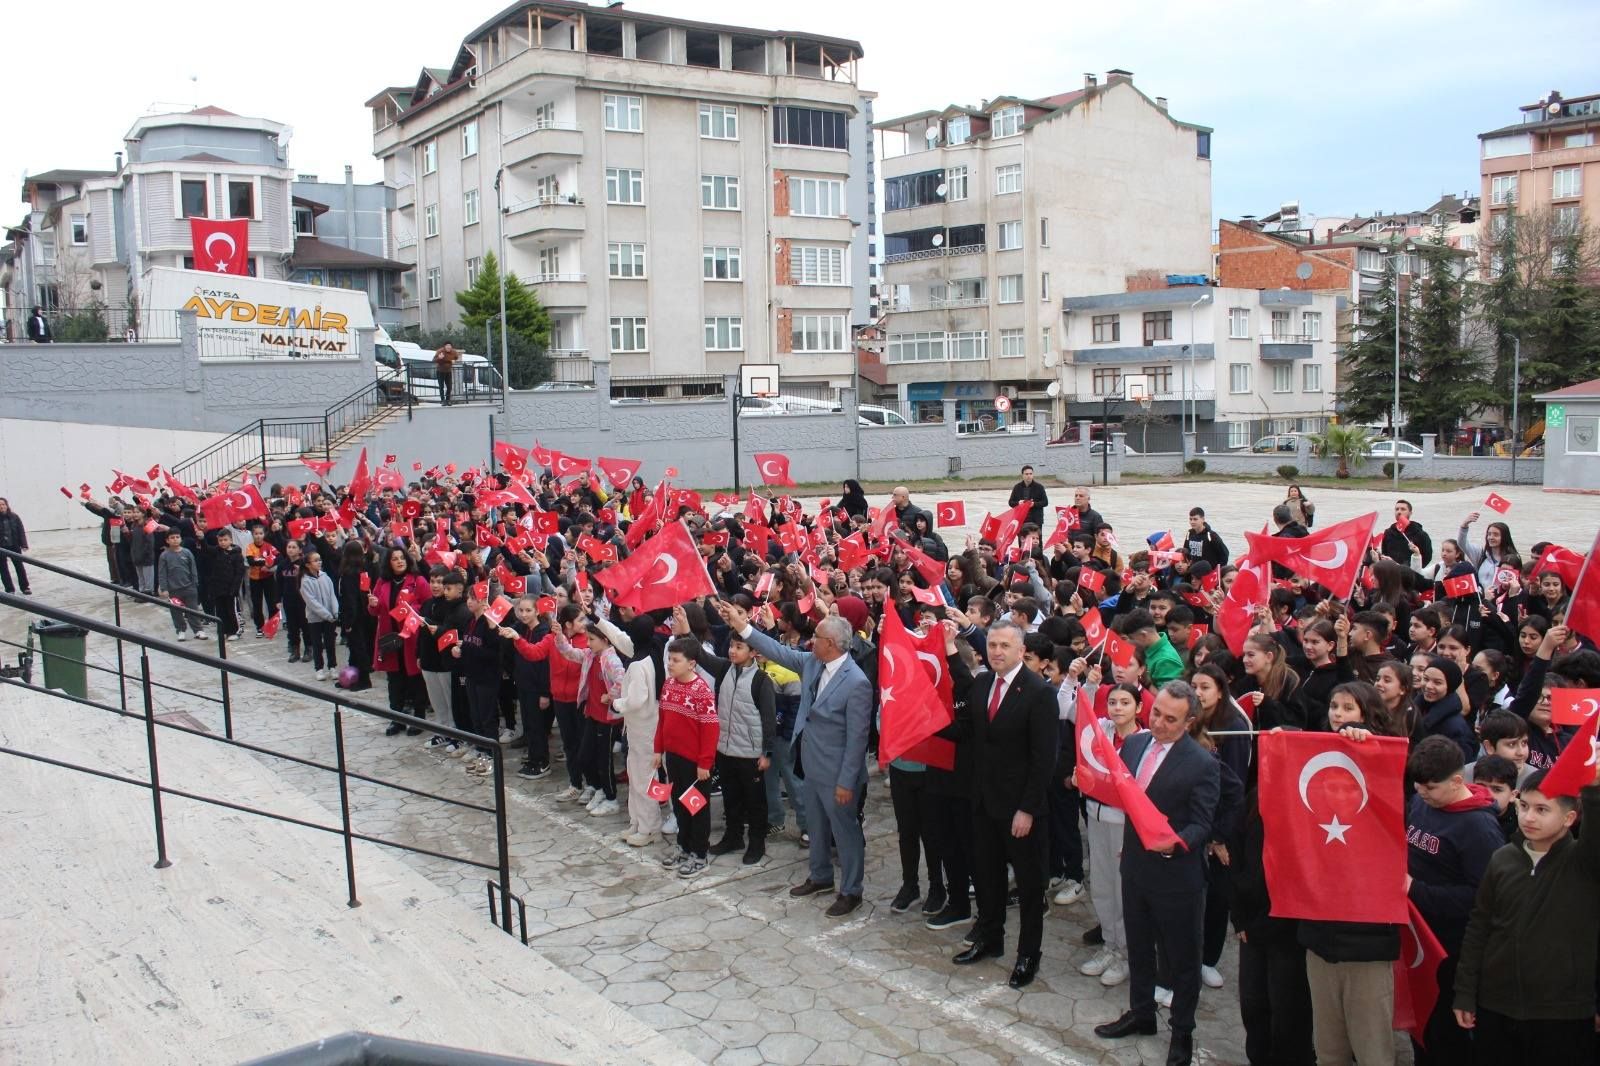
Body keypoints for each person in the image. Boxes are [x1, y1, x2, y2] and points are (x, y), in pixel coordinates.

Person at [1093, 681, 1221, 1066]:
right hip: (1134, 867)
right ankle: (1142, 1012)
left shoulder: (1202, 764)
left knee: (1182, 961)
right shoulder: (1134, 744)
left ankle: (1182, 1032)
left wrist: (1176, 842)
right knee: (1139, 946)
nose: (1160, 723)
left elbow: (1202, 824)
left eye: (1170, 719)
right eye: (1157, 713)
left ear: (1189, 722)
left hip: (1177, 878)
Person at [722, 602, 873, 919]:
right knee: (816, 826)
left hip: (838, 772)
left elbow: (858, 740)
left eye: (816, 637)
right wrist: (741, 625)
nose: (809, 641)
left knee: (845, 833)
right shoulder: (813, 664)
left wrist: (847, 782)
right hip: (811, 764)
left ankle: (851, 890)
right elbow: (775, 650)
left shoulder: (857, 682)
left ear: (830, 644)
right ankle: (820, 877)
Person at [1452, 767, 1600, 1062]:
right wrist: (1465, 991)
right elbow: (1479, 927)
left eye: (1542, 809)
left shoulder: (1583, 863)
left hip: (1562, 1014)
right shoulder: (1502, 859)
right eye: (1524, 806)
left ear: (1569, 818)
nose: (1529, 817)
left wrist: (1594, 790)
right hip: (1496, 1008)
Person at [945, 618, 1058, 989]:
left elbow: (1044, 759)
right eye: (992, 645)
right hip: (984, 802)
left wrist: (1027, 808)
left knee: (1027, 888)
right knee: (988, 878)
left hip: (1020, 809)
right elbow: (969, 732)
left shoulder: (1038, 692)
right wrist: (922, 720)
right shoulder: (981, 684)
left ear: (1021, 651)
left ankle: (1029, 955)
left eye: (1004, 646)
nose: (996, 652)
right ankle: (990, 938)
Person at [1404, 736, 1503, 1064]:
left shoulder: (1479, 828)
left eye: (1430, 787)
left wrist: (1414, 889)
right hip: (1419, 938)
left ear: (1457, 780)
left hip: (1451, 949)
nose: (1422, 794)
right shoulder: (1422, 802)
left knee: (1447, 1038)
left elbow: (1482, 898)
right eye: (1418, 786)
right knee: (1422, 1029)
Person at [654, 636, 720, 879]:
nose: (670, 664)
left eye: (676, 660)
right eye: (669, 659)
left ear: (691, 664)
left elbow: (710, 729)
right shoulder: (669, 685)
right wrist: (657, 750)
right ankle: (683, 847)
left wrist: (705, 762)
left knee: (696, 809)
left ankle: (699, 854)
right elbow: (663, 721)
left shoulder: (701, 691)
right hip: (674, 758)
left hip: (695, 764)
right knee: (679, 805)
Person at [156, 529, 206, 641]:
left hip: (189, 587)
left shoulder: (187, 553)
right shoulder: (164, 556)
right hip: (173, 590)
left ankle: (198, 630)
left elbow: (193, 569)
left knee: (193, 610)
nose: (175, 540)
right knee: (176, 612)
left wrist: (194, 584)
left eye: (177, 537)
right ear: (167, 540)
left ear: (181, 538)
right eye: (172, 538)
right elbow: (162, 573)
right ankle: (181, 630)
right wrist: (164, 588)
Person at [299, 551, 340, 681]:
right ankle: (319, 668)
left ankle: (332, 666)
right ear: (308, 565)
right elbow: (312, 602)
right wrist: (327, 615)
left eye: (320, 560)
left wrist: (335, 611)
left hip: (330, 617)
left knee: (330, 643)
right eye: (315, 560)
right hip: (315, 618)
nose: (319, 562)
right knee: (317, 643)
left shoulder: (325, 576)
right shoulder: (305, 581)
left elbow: (332, 595)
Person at [198, 528, 246, 640]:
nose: (223, 542)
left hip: (231, 589)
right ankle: (224, 630)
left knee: (232, 610)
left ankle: (236, 631)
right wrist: (202, 539)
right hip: (218, 588)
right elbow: (206, 549)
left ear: (230, 540)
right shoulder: (217, 551)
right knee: (220, 610)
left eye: (225, 540)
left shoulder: (237, 555)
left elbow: (239, 573)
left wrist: (234, 588)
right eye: (220, 540)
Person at [1378, 499, 1432, 568]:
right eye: (1397, 509)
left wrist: (1411, 569)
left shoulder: (1421, 534)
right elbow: (1385, 553)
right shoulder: (1388, 533)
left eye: (1403, 509)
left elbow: (1427, 557)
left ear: (1410, 513)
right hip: (1391, 573)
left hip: (1411, 574)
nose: (1399, 512)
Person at [0, 498, 31, 595]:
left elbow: (21, 531)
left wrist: (24, 544)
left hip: (14, 545)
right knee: (3, 569)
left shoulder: (14, 517)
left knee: (19, 567)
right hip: (1, 547)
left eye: (3, 504)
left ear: (7, 505)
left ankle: (25, 587)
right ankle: (9, 589)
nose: (1, 507)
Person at [1008, 465, 1048, 530]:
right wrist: (1018, 503)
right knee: (1022, 539)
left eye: (1030, 474)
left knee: (1037, 539)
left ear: (1033, 475)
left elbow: (1045, 502)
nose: (1029, 476)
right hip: (1021, 520)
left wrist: (1034, 504)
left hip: (1036, 520)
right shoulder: (1017, 487)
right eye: (1026, 474)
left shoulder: (1039, 487)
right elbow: (1010, 502)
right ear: (1022, 475)